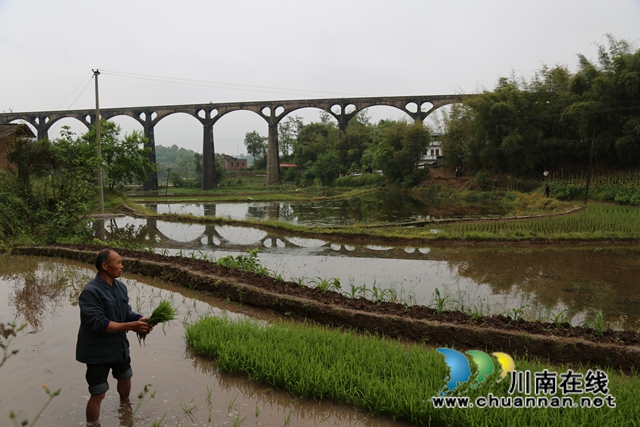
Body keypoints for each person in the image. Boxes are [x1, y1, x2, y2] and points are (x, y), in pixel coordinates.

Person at [76, 249, 152, 424]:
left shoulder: (120, 287)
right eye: (118, 262)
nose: (121, 266)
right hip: (98, 351)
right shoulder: (91, 291)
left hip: (119, 346)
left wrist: (140, 320)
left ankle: (125, 412)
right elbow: (99, 323)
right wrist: (132, 326)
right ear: (105, 266)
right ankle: (92, 424)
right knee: (98, 393)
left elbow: (126, 313)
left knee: (125, 378)